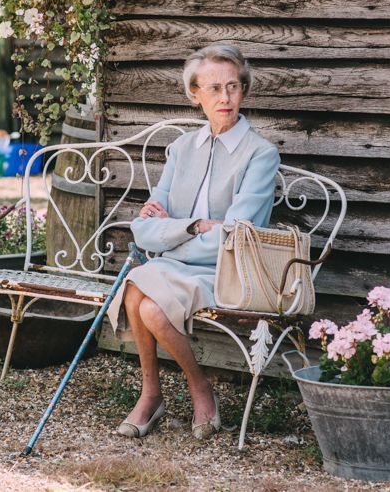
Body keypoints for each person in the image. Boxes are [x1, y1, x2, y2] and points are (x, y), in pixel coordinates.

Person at [107, 43, 280, 440]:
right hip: (175, 266)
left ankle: (175, 391)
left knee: (144, 297)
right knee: (141, 287)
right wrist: (196, 226)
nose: (225, 97)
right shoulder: (182, 148)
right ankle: (164, 391)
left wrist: (171, 237)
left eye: (233, 87)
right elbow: (143, 228)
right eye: (215, 88)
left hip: (228, 272)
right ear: (194, 93)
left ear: (243, 90)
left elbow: (233, 238)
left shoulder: (260, 154)